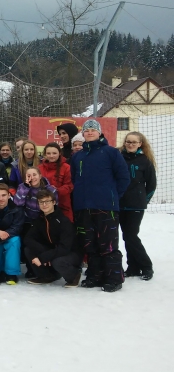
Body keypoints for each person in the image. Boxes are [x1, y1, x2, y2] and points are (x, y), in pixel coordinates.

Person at [71, 119, 130, 292]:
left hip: (106, 207)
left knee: (108, 244)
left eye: (93, 130)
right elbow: (75, 179)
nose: (89, 132)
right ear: (83, 133)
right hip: (84, 207)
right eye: (86, 130)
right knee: (90, 244)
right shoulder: (78, 156)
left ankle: (113, 278)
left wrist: (112, 197)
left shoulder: (111, 153)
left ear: (100, 133)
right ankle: (95, 276)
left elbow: (123, 178)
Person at [24, 190, 82, 287]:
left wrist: (44, 257)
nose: (44, 204)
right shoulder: (40, 220)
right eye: (41, 202)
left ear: (54, 202)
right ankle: (47, 276)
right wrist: (44, 253)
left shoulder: (63, 221)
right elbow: (28, 239)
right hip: (54, 251)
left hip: (71, 253)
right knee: (29, 250)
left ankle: (74, 275)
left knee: (57, 261)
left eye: (47, 201)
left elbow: (64, 248)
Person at [119, 132, 157, 281]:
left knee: (131, 236)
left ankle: (146, 266)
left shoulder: (145, 161)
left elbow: (151, 185)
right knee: (126, 236)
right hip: (121, 204)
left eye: (134, 142)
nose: (130, 144)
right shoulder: (119, 158)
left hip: (136, 205)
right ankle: (133, 267)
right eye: (128, 141)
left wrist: (143, 200)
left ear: (140, 144)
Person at [38, 143, 73, 221]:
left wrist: (56, 190)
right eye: (48, 153)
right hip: (44, 205)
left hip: (62, 204)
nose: (51, 156)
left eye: (54, 153)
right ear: (45, 154)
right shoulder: (39, 168)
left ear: (59, 153)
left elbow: (69, 186)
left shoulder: (66, 167)